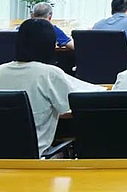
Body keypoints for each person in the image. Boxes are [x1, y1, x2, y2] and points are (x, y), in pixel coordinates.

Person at [0, 19, 103, 156]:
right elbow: (78, 100)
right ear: (50, 44)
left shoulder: (1, 70)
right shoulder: (49, 74)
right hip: (36, 158)